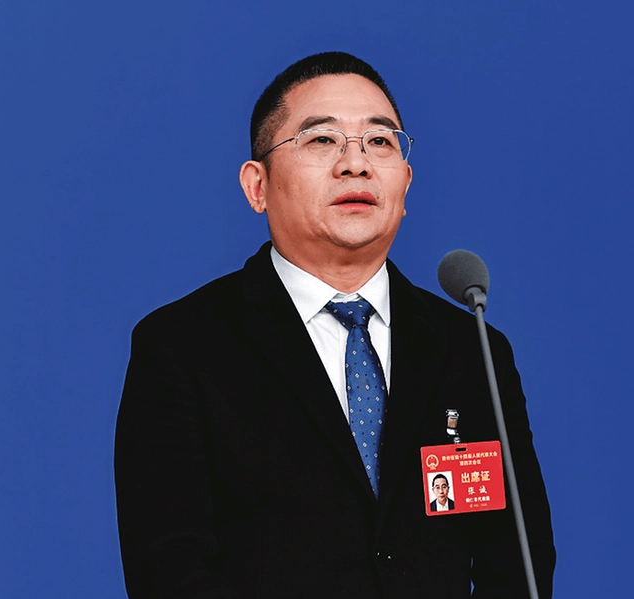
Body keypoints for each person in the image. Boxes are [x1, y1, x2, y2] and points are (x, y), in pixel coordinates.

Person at [114, 51, 555, 598]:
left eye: (380, 141)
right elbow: (169, 571)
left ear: (406, 183)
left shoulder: (471, 349)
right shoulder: (182, 347)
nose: (356, 163)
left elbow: (516, 560)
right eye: (323, 140)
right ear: (257, 186)